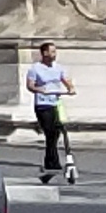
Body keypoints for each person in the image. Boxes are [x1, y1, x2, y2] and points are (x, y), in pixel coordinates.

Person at [25, 42, 73, 182]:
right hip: (42, 104)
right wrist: (39, 90)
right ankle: (53, 163)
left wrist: (70, 88)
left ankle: (51, 161)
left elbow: (66, 80)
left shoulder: (58, 68)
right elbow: (30, 85)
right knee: (50, 132)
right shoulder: (35, 69)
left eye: (55, 52)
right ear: (44, 53)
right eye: (51, 52)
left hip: (56, 103)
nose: (54, 54)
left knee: (58, 132)